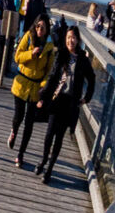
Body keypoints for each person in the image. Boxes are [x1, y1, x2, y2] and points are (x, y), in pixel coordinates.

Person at [34, 26, 95, 184]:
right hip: (57, 98)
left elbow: (92, 78)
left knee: (59, 137)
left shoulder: (82, 58)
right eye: (68, 37)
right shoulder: (61, 54)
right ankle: (43, 160)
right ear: (65, 39)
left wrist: (86, 98)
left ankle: (49, 170)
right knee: (49, 134)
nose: (71, 40)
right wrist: (43, 96)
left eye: (74, 37)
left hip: (70, 103)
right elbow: (53, 76)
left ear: (78, 40)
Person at [9, 14, 56, 169]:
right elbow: (17, 57)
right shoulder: (28, 37)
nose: (40, 30)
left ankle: (20, 155)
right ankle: (14, 131)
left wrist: (43, 87)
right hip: (21, 83)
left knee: (29, 123)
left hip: (36, 88)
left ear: (47, 29)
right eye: (38, 26)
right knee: (18, 117)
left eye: (43, 27)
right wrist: (31, 53)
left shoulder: (50, 48)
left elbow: (48, 72)